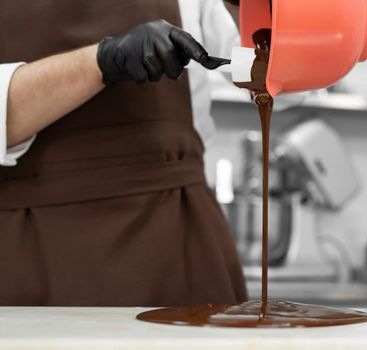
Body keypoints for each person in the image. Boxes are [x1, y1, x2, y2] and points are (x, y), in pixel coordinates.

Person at [0, 0, 247, 306]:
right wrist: (101, 62)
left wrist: (253, 9)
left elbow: (280, 75)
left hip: (177, 236)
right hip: (29, 248)